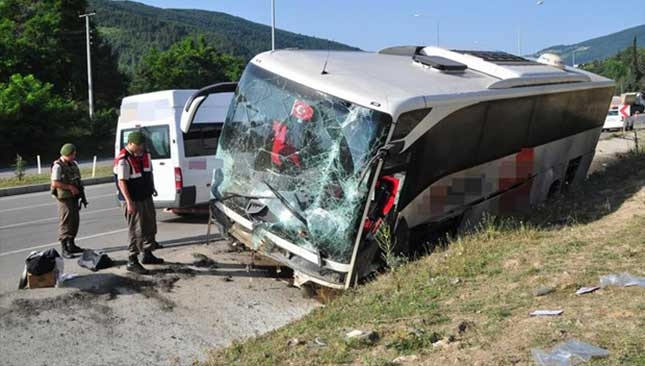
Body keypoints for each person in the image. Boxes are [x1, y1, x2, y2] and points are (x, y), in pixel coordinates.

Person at [114, 131, 164, 274]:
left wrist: (152, 187)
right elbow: (122, 182)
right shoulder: (123, 159)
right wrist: (129, 202)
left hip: (145, 196)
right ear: (130, 144)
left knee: (150, 225)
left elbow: (149, 173)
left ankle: (147, 254)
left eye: (142, 144)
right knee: (137, 230)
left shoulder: (145, 154)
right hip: (133, 199)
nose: (141, 147)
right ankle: (132, 260)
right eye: (139, 145)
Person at [51, 143, 86, 258]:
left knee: (74, 221)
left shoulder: (73, 164)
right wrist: (70, 187)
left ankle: (71, 244)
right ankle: (64, 248)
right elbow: (55, 183)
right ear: (67, 154)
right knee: (66, 221)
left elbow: (77, 179)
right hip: (65, 198)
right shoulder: (58, 166)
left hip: (74, 196)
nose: (74, 156)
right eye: (73, 154)